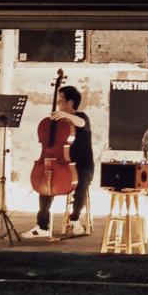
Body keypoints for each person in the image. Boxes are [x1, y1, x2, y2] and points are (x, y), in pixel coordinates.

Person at [23, 85, 93, 239]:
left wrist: (63, 115)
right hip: (60, 162)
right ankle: (42, 225)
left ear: (71, 102)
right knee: (45, 185)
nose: (58, 104)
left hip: (82, 164)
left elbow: (80, 123)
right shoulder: (59, 122)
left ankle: (75, 220)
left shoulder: (81, 118)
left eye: (61, 101)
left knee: (80, 184)